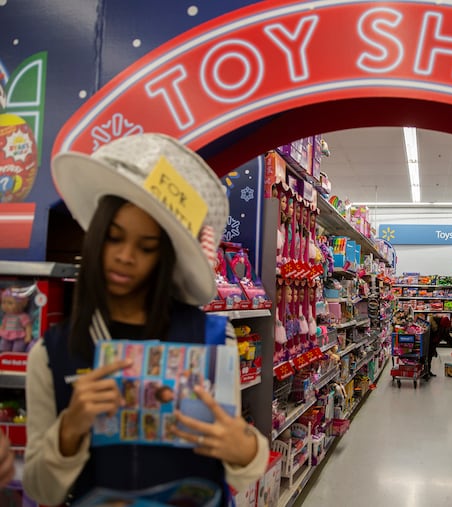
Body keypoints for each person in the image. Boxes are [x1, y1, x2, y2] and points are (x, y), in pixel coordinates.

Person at [23, 134, 269, 505]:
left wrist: (243, 446)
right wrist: (70, 429)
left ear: (165, 256)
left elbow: (244, 468)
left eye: (146, 246)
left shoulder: (213, 340)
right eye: (113, 238)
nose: (125, 256)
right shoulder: (51, 354)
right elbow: (41, 488)